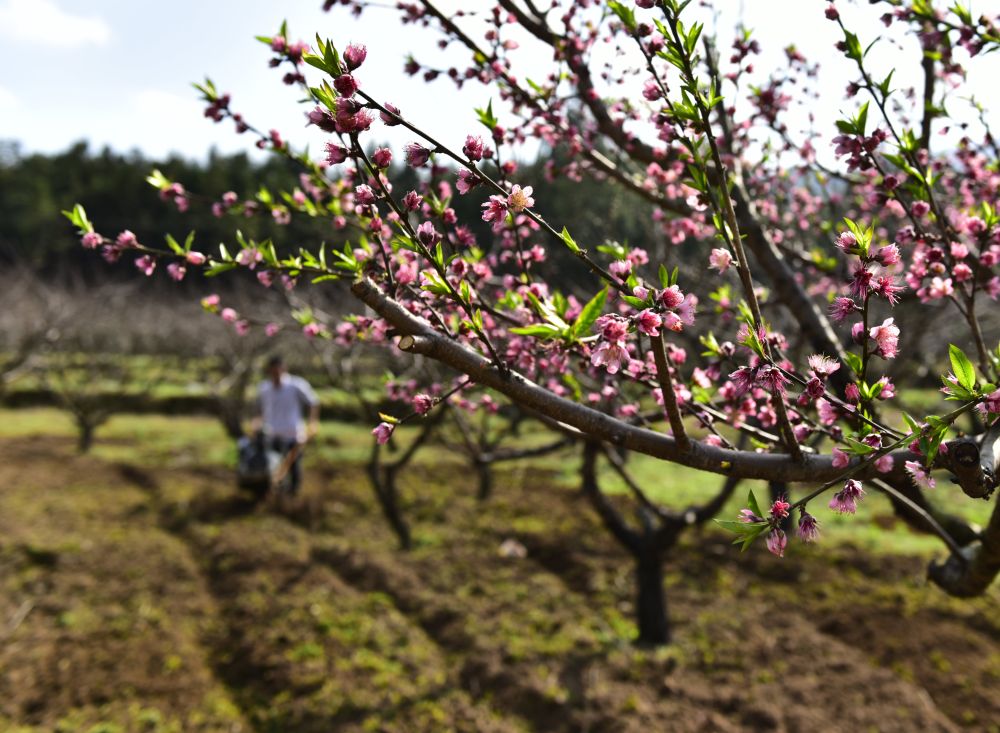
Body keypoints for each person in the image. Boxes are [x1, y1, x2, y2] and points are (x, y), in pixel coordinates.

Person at [250, 355, 320, 496]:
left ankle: (292, 496)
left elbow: (313, 402)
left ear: (283, 369)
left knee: (293, 467)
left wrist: (312, 423)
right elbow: (259, 409)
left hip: (293, 435)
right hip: (271, 434)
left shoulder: (296, 385)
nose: (275, 375)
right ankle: (273, 493)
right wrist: (256, 423)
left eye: (278, 371)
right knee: (272, 466)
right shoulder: (264, 388)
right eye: (272, 372)